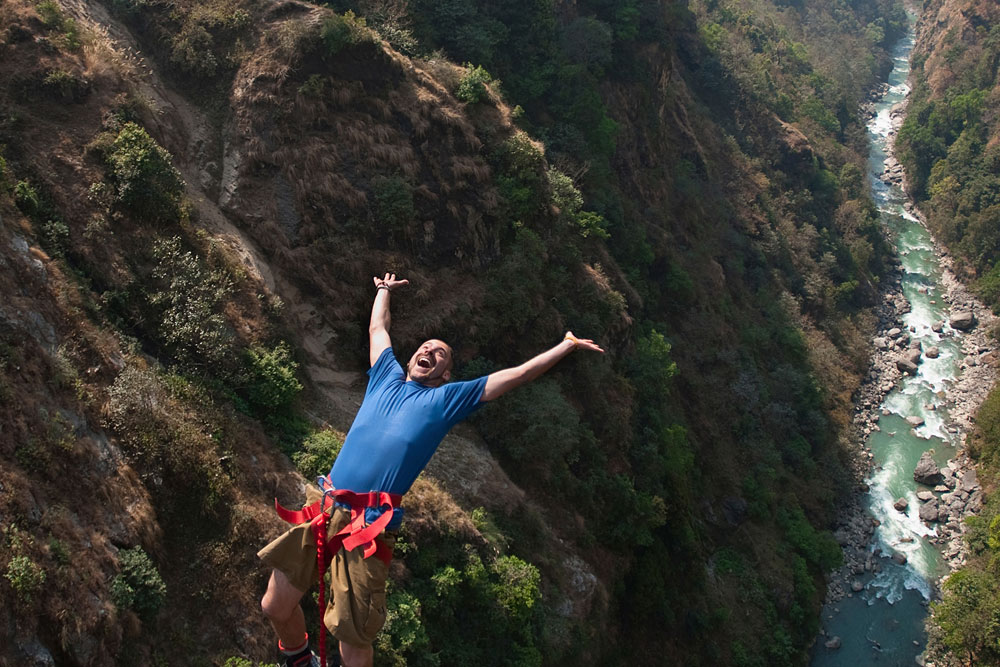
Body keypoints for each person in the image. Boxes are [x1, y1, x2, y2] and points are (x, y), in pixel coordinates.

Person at [259, 273, 604, 667]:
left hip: (365, 527)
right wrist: (384, 291)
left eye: (440, 353)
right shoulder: (384, 378)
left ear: (445, 375)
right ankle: (299, 660)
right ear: (410, 359)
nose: (430, 350)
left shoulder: (446, 401)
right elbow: (378, 327)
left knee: (352, 640)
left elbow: (518, 375)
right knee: (274, 606)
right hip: (323, 505)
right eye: (426, 346)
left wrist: (566, 345)